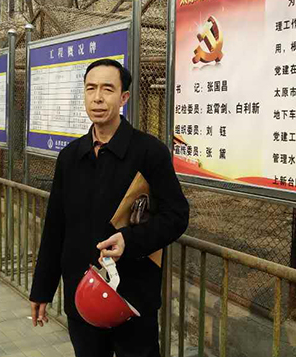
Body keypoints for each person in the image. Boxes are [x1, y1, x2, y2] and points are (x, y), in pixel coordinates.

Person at [29, 59, 189, 357]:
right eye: (91, 89)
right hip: (83, 296)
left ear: (123, 97)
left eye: (107, 89)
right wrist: (42, 289)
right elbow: (55, 228)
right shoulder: (70, 157)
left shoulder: (148, 152)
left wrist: (131, 240)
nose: (98, 97)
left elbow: (177, 215)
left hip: (133, 298)